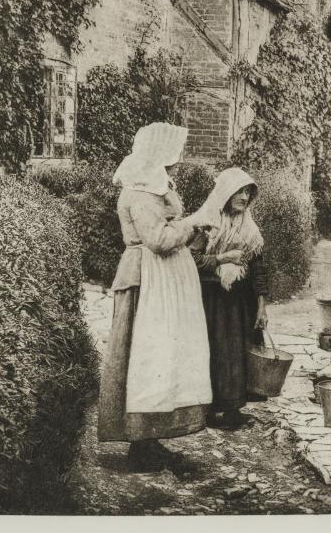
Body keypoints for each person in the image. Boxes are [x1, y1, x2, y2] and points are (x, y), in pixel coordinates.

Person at [97, 122, 224, 471]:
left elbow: (175, 235)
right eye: (172, 157)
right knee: (143, 356)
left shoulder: (156, 186)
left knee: (164, 357)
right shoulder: (139, 192)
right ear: (156, 155)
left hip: (165, 278)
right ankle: (139, 442)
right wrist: (193, 220)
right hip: (146, 279)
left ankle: (150, 439)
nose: (176, 163)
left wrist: (199, 233)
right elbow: (158, 240)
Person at [191, 168, 269, 431]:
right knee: (212, 351)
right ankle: (210, 409)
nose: (245, 197)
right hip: (209, 299)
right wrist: (221, 260)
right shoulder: (207, 225)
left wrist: (261, 306)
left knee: (236, 354)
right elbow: (192, 260)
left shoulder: (250, 229)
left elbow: (258, 270)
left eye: (248, 192)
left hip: (238, 303)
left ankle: (234, 410)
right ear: (225, 192)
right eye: (239, 191)